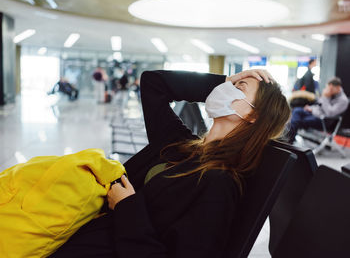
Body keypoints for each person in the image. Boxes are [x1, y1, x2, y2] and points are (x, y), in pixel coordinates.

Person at [51, 69, 290, 258]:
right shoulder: (179, 143)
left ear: (252, 115)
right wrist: (224, 79)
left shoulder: (219, 184)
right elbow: (153, 83)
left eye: (239, 88)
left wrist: (127, 208)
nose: (226, 89)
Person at [288, 77, 349, 143]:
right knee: (297, 110)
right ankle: (289, 137)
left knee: (298, 120)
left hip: (323, 120)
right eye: (328, 87)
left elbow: (329, 113)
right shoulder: (331, 94)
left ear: (338, 87)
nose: (328, 90)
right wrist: (311, 108)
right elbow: (319, 105)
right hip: (315, 114)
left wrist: (325, 97)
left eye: (330, 88)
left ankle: (289, 139)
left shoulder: (343, 100)